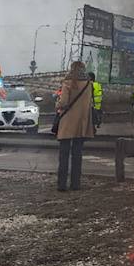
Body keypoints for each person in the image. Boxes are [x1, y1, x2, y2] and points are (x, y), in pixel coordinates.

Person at [55, 61, 95, 191]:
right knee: (77, 155)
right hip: (82, 122)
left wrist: (57, 104)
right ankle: (75, 184)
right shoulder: (88, 84)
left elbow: (63, 102)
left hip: (67, 121)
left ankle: (62, 184)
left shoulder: (68, 82)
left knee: (64, 155)